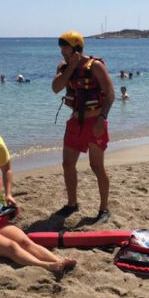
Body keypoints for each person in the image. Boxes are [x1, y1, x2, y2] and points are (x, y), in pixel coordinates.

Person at [52, 31, 115, 222]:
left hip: (95, 121)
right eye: (61, 47)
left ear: (76, 47)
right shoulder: (64, 67)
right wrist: (70, 67)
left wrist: (101, 119)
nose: (62, 51)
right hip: (75, 123)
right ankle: (72, 203)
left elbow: (110, 95)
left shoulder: (95, 66)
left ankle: (104, 209)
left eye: (65, 47)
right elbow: (56, 88)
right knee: (67, 164)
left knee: (96, 166)